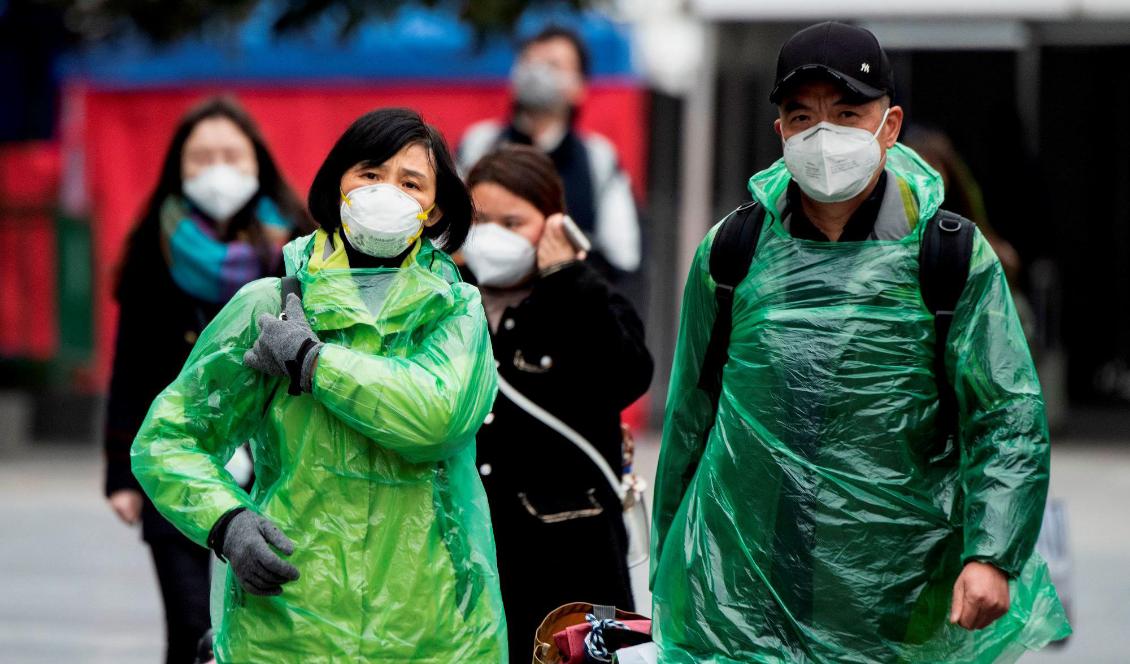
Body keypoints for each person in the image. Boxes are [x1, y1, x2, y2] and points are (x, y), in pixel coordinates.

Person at [650, 22, 1071, 662]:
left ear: (890, 124)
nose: (825, 135)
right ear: (781, 134)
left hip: (898, 585)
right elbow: (692, 417)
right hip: (746, 580)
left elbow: (1005, 413)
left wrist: (992, 552)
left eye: (848, 113)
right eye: (802, 116)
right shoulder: (732, 254)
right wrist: (671, 560)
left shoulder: (949, 256)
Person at [130, 108, 507, 661]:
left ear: (435, 210)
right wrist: (226, 521)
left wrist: (312, 362)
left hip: (435, 629)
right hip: (289, 624)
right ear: (337, 185)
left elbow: (437, 419)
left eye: (410, 183)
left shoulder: (454, 311)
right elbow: (171, 438)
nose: (386, 193)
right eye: (370, 174)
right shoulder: (271, 305)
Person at [103, 95, 309, 664]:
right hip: (180, 457)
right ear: (179, 167)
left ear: (257, 162)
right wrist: (121, 472)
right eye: (201, 157)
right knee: (191, 628)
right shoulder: (155, 245)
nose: (217, 169)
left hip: (276, 458)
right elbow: (130, 366)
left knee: (271, 628)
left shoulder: (298, 244)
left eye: (231, 155)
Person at [461, 145, 653, 661]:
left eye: (513, 221)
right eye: (482, 220)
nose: (494, 235)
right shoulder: (447, 303)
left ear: (552, 225)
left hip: (573, 575)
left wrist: (567, 277)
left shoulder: (587, 298)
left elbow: (629, 374)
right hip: (471, 566)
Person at [459, 25, 642, 281]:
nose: (537, 73)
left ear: (580, 86)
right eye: (530, 61)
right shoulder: (479, 144)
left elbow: (623, 258)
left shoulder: (598, 158)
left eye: (554, 65)